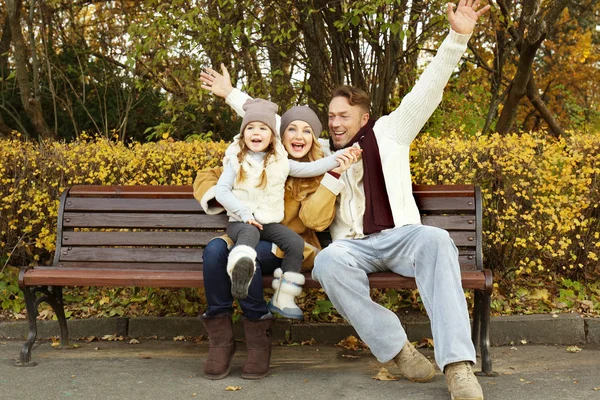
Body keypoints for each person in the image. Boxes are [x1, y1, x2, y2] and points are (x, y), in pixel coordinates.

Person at [218, 1, 491, 398]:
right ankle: (398, 348)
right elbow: (273, 123)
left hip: (402, 237)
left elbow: (428, 89)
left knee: (436, 240)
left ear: (364, 118)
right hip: (353, 247)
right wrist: (230, 94)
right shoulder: (324, 151)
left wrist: (457, 37)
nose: (335, 123)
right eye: (331, 116)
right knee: (327, 261)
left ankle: (458, 367)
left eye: (344, 116)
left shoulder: (392, 131)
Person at [193, 84, 359, 380]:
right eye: (292, 129)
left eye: (307, 131)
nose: (299, 136)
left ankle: (258, 344)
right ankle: (220, 343)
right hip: (245, 230)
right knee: (214, 251)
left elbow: (314, 220)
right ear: (280, 136)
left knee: (251, 255)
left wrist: (334, 172)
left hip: (284, 249)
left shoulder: (311, 173)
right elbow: (210, 176)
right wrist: (234, 204)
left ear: (314, 137)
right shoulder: (253, 160)